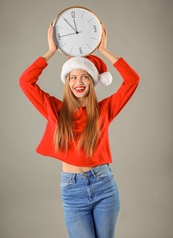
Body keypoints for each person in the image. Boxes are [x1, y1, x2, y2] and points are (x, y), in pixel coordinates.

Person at [19, 22, 140, 238]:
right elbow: (26, 82)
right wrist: (50, 51)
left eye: (85, 76)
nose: (79, 82)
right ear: (67, 82)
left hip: (104, 185)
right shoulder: (55, 109)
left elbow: (132, 80)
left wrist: (104, 50)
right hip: (72, 190)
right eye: (73, 77)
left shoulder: (105, 110)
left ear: (93, 81)